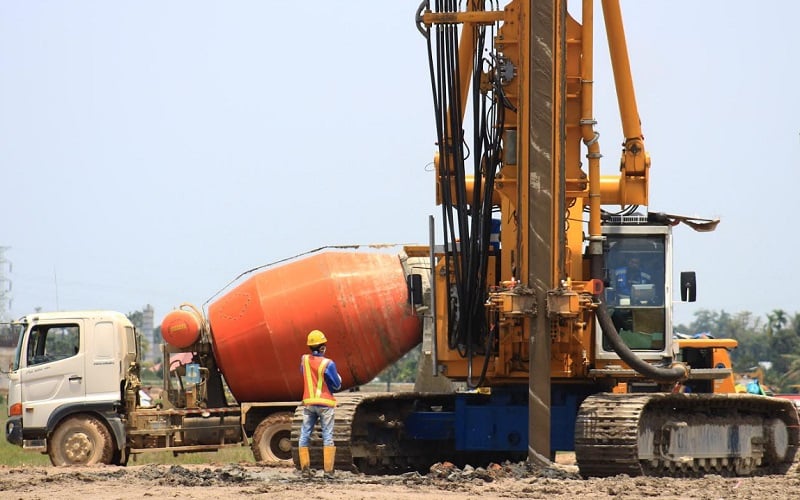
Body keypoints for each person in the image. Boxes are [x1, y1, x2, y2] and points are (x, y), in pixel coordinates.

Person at [298, 329, 342, 479]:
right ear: (322, 347)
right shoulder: (328, 363)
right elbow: (336, 385)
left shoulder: (304, 360)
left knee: (304, 434)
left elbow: (303, 373)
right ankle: (328, 472)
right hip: (325, 404)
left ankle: (305, 469)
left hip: (309, 403)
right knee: (327, 435)